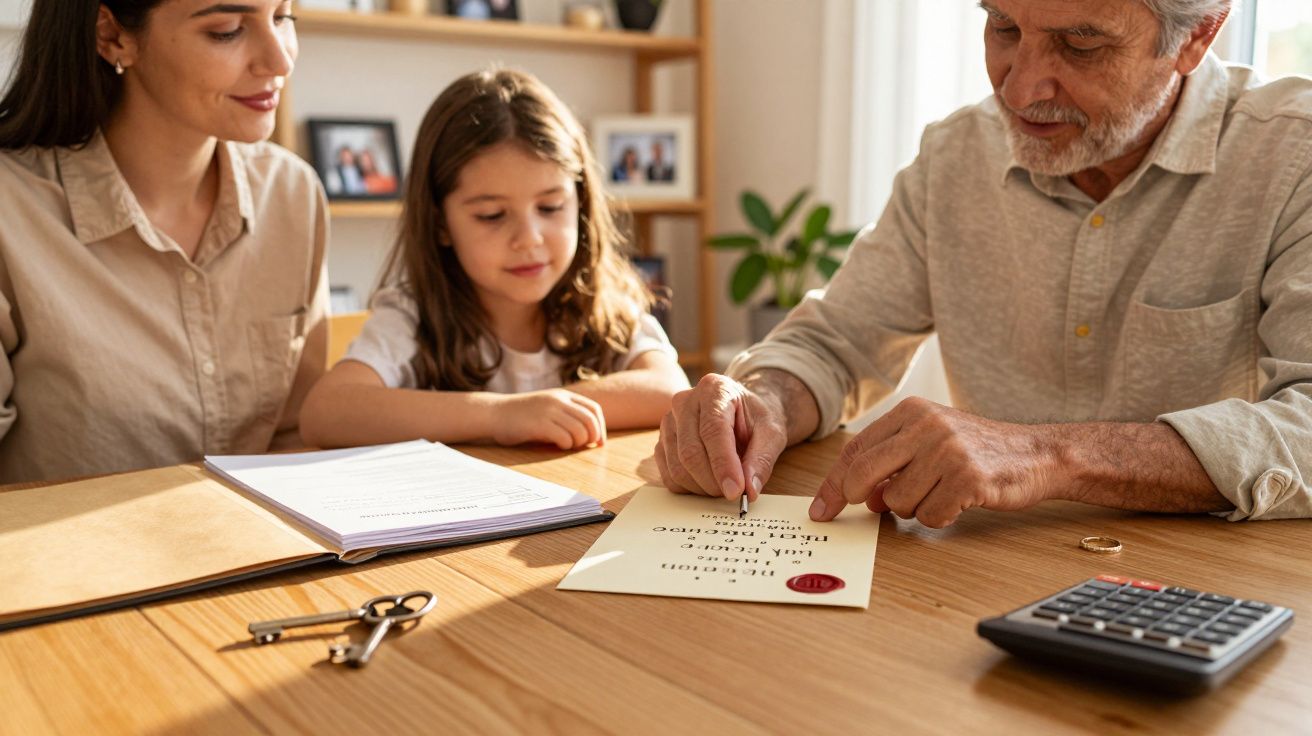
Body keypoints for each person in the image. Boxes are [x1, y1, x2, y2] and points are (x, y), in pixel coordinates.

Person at [655, 0, 1312, 523]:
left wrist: (1046, 454)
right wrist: (763, 399)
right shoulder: (954, 156)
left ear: (1198, 35)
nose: (1020, 86)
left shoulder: (1292, 156)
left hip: (1215, 598)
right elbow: (836, 343)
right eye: (1002, 25)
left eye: (1081, 45)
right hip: (980, 580)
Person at [0, 0, 329, 483]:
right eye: (228, 31)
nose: (280, 61)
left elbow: (299, 436)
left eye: (283, 17)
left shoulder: (292, 195)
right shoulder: (11, 211)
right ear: (114, 37)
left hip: (277, 553)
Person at [300, 69, 688, 450]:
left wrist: (543, 410)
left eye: (551, 207)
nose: (529, 239)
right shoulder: (412, 317)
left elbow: (668, 389)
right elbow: (326, 412)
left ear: (581, 203)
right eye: (492, 215)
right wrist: (500, 415)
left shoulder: (608, 305)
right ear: (441, 223)